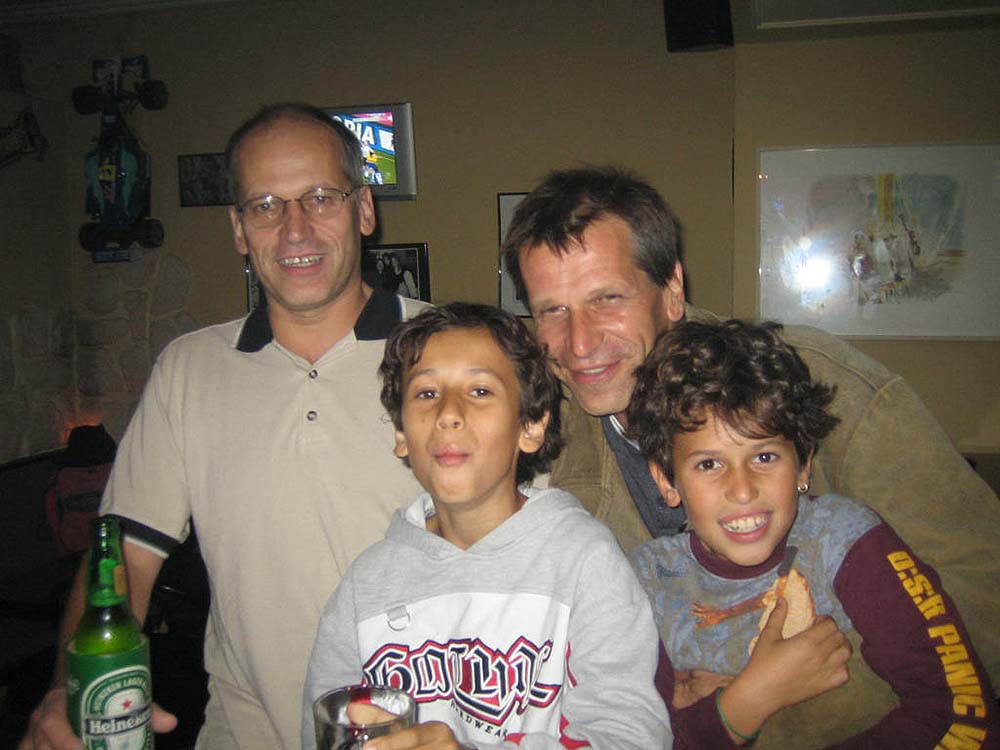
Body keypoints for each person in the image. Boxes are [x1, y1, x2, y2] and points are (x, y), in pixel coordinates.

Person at [21, 102, 427, 750]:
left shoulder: (456, 352)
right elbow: (123, 557)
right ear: (239, 229)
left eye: (321, 198)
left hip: (428, 735)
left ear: (364, 209)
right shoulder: (188, 370)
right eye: (265, 206)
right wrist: (71, 692)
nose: (295, 229)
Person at [500, 166, 1000, 692]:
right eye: (552, 310)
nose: (580, 343)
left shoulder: (824, 384)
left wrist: (771, 701)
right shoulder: (540, 436)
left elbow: (982, 591)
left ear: (671, 290)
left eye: (607, 299)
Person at [302, 303, 673, 749]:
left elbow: (630, 735)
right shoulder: (365, 588)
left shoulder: (583, 561)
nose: (448, 413)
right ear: (401, 434)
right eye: (426, 393)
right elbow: (325, 728)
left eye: (479, 391)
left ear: (530, 426)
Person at [627, 318, 998, 748]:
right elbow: (639, 737)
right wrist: (747, 702)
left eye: (764, 456)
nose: (742, 490)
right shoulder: (646, 581)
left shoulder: (847, 542)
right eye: (709, 464)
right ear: (666, 481)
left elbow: (962, 711)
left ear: (803, 464)